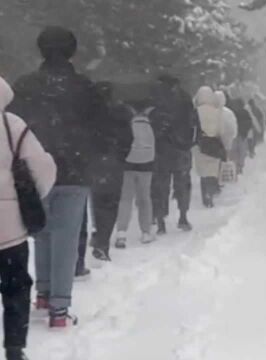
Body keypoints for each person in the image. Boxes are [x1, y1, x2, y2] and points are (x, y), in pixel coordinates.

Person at [8, 26, 106, 328]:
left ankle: (43, 292)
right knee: (65, 238)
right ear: (72, 51)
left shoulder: (24, 86)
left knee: (40, 232)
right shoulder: (86, 88)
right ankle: (59, 309)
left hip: (32, 170)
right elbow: (99, 129)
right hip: (74, 170)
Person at [0, 75, 56, 360]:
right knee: (15, 287)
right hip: (8, 230)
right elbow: (43, 168)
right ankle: (14, 348)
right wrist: (28, 200)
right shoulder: (12, 125)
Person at [89, 82, 132, 262]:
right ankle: (103, 241)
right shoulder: (121, 112)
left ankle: (97, 233)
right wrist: (121, 156)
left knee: (96, 200)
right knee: (111, 204)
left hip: (94, 162)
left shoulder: (88, 114)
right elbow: (129, 138)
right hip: (114, 162)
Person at [151, 75, 197, 234]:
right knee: (183, 184)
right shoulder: (185, 98)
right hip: (181, 149)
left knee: (160, 186)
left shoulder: (156, 99)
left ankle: (160, 221)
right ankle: (183, 217)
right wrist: (190, 142)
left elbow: (153, 124)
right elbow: (194, 122)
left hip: (161, 149)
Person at [114, 100, 157, 248]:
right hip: (146, 165)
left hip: (128, 164)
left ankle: (121, 233)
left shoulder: (129, 125)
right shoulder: (151, 126)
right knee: (144, 199)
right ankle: (146, 232)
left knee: (125, 199)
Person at [193, 87, 237, 207]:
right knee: (212, 170)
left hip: (200, 145)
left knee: (203, 171)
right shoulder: (216, 111)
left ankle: (205, 196)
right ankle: (211, 193)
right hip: (213, 144)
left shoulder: (195, 111)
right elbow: (221, 130)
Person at [227, 97, 252, 175]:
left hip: (234, 135)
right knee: (242, 151)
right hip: (242, 135)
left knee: (233, 151)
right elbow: (249, 123)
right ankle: (239, 166)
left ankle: (233, 166)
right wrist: (244, 130)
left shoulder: (231, 112)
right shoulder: (245, 112)